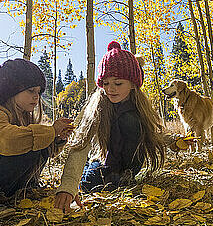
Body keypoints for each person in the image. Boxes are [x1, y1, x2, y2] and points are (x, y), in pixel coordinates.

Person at [0, 58, 74, 221]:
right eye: (31, 91)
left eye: (38, 92)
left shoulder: (27, 119)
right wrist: (51, 131)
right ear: (12, 91)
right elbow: (9, 141)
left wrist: (57, 138)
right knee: (27, 143)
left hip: (7, 187)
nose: (36, 97)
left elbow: (45, 149)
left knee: (37, 143)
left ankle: (23, 192)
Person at [54, 41, 165, 211]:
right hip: (104, 159)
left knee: (130, 120)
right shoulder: (97, 106)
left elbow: (153, 134)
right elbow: (81, 144)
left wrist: (176, 141)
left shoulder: (139, 107)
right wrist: (69, 185)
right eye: (105, 83)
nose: (111, 89)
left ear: (133, 84)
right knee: (90, 184)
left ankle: (125, 176)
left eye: (118, 83)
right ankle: (106, 176)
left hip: (131, 165)